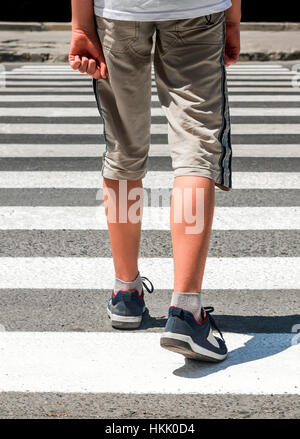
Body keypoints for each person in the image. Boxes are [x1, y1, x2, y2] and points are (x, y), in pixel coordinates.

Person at [69, 0, 241, 362]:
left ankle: (126, 294)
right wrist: (233, 18)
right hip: (198, 8)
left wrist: (81, 26)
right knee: (196, 147)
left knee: (123, 147)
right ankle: (186, 312)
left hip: (120, 10)